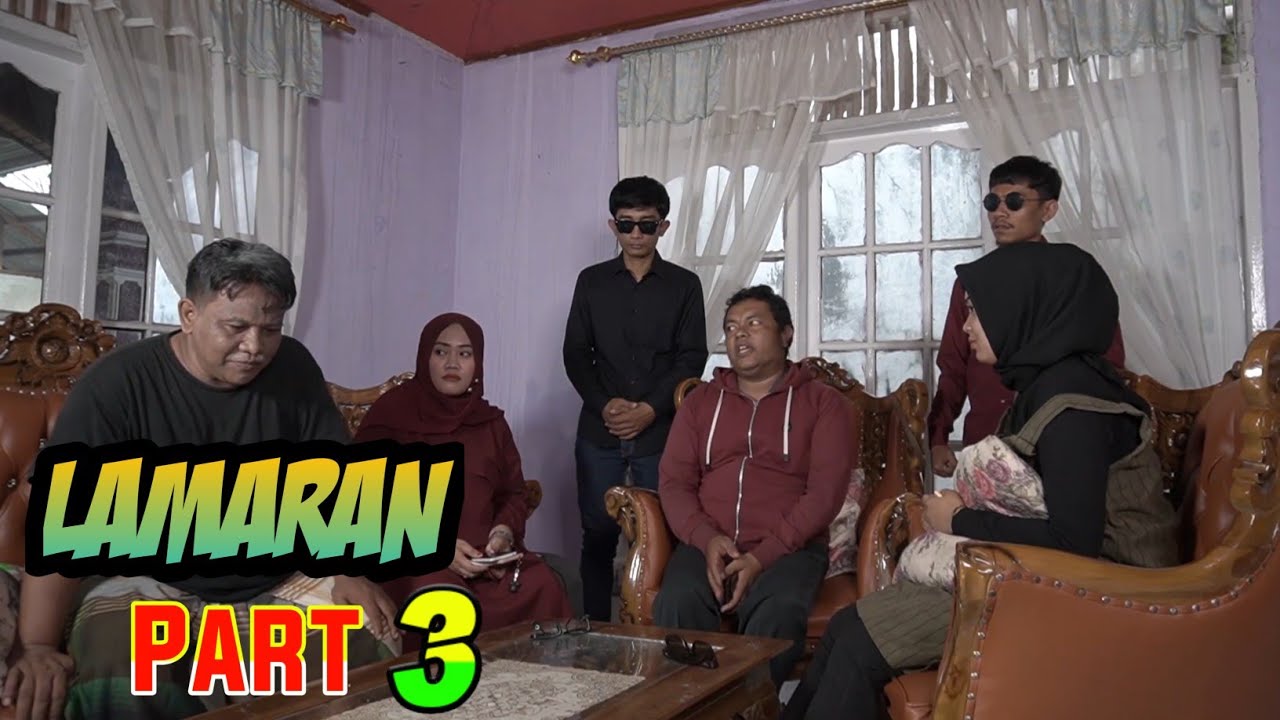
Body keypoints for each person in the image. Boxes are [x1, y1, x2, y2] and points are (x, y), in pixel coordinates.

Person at [2, 239, 400, 720]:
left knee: (369, 637)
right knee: (121, 668)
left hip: (277, 575)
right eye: (235, 327)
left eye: (270, 329)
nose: (254, 347)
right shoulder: (116, 384)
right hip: (147, 578)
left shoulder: (293, 367)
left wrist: (349, 571)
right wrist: (37, 644)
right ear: (189, 314)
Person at [782, 241, 1179, 719]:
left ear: (1024, 309)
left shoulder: (1074, 408)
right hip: (1035, 573)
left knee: (856, 642)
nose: (966, 326)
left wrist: (958, 518)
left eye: (977, 311)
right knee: (847, 628)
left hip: (1100, 592)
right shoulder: (1049, 386)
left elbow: (1075, 542)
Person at [655, 285, 856, 688]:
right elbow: (674, 483)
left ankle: (751, 709)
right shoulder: (700, 402)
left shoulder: (825, 403)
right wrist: (706, 539)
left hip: (789, 547)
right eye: (731, 328)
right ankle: (692, 708)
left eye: (753, 323)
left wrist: (763, 556)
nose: (739, 334)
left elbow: (824, 495)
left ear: (786, 334)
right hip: (708, 542)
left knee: (777, 611)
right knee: (677, 602)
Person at [355, 312, 573, 639]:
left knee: (542, 583)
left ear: (477, 363)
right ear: (425, 357)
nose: (452, 363)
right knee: (444, 600)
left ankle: (531, 672)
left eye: (465, 353)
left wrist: (502, 533)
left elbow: (513, 494)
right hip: (414, 557)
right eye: (441, 351)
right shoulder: (391, 415)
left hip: (486, 562)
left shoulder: (490, 423)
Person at [563, 176, 709, 622]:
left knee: (662, 535)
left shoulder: (685, 285)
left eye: (647, 225)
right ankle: (594, 631)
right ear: (613, 226)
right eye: (627, 224)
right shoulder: (591, 282)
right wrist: (604, 404)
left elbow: (692, 356)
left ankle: (659, 633)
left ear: (663, 227)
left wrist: (649, 409)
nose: (637, 235)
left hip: (660, 432)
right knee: (597, 535)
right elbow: (576, 352)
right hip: (599, 429)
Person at [929, 155, 1126, 478]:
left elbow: (1107, 364)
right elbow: (953, 366)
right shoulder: (974, 282)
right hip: (986, 444)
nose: (1000, 213)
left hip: (1060, 443)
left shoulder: (1074, 277)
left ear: (1048, 210)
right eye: (992, 202)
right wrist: (938, 437)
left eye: (1014, 202)